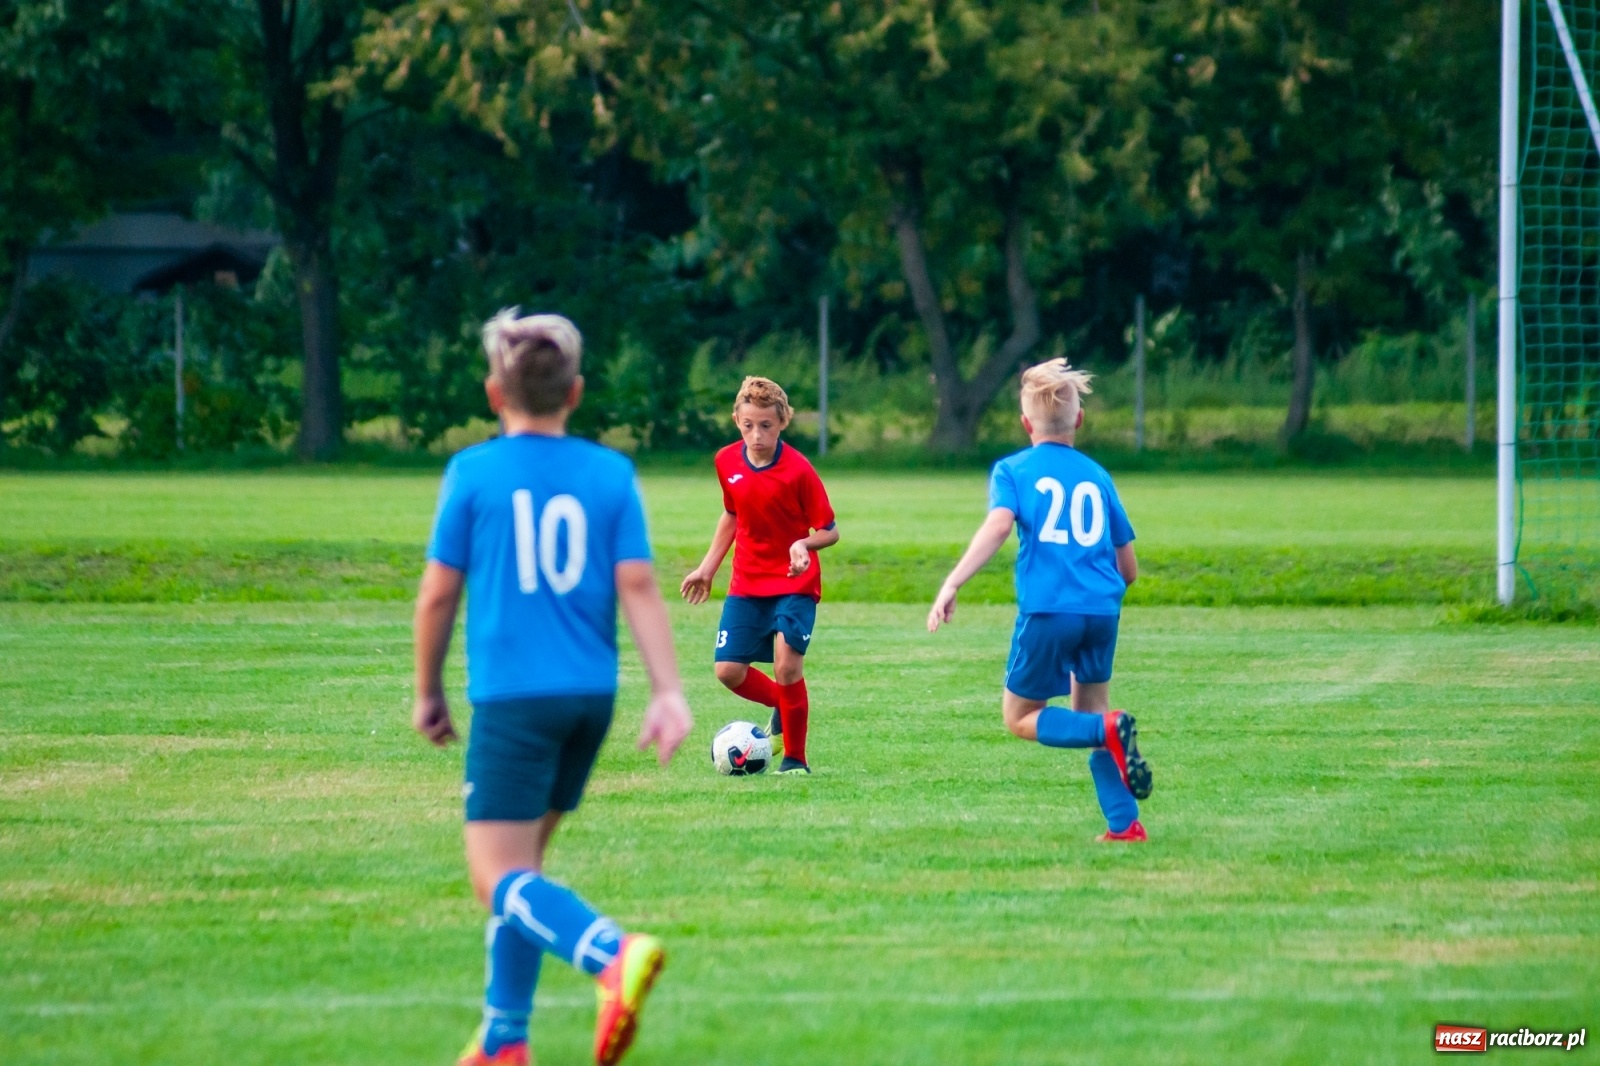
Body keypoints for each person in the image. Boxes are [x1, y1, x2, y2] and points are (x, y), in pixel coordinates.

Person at [413, 308, 693, 1066]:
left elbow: (437, 595)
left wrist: (428, 689)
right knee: (523, 870)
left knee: (494, 875)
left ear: (492, 393)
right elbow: (638, 584)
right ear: (575, 392)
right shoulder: (610, 473)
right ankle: (504, 1037)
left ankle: (611, 954)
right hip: (589, 699)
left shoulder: (473, 472)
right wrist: (667, 690)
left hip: (514, 699)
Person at [927, 358, 1153, 841]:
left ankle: (1108, 731)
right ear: (1079, 420)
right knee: (1093, 711)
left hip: (1049, 610)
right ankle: (1124, 823)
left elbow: (998, 526)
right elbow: (1129, 569)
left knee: (1021, 717)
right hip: (1102, 611)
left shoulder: (1013, 470)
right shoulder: (1097, 475)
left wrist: (953, 582)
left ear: (1025, 424)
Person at [679, 376, 839, 775]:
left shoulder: (798, 470)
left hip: (794, 581)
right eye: (748, 425)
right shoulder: (726, 461)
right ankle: (783, 704)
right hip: (747, 582)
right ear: (736, 420)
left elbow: (829, 530)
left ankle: (795, 760)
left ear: (783, 422)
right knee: (728, 671)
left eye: (766, 425)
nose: (756, 435)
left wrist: (804, 544)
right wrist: (707, 568)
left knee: (787, 667)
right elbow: (733, 514)